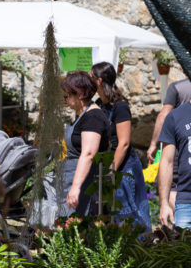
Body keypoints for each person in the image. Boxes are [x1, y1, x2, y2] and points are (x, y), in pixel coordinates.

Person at [90, 62, 151, 230]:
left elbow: (123, 143)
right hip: (105, 164)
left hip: (123, 167)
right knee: (105, 214)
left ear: (99, 81)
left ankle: (138, 247)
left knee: (129, 213)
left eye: (91, 78)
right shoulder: (98, 105)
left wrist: (111, 171)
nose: (89, 81)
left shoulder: (120, 106)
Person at [59, 71, 110, 217]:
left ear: (80, 94)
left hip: (86, 185)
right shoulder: (82, 115)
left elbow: (88, 154)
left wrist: (75, 187)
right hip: (72, 180)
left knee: (78, 228)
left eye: (67, 96)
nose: (65, 101)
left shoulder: (93, 117)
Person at [147, 78, 191, 211]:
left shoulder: (178, 87)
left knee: (173, 186)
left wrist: (154, 144)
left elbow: (163, 115)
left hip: (181, 144)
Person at [157, 99, 191, 229]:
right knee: (184, 248)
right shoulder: (175, 116)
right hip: (187, 202)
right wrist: (164, 204)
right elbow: (166, 161)